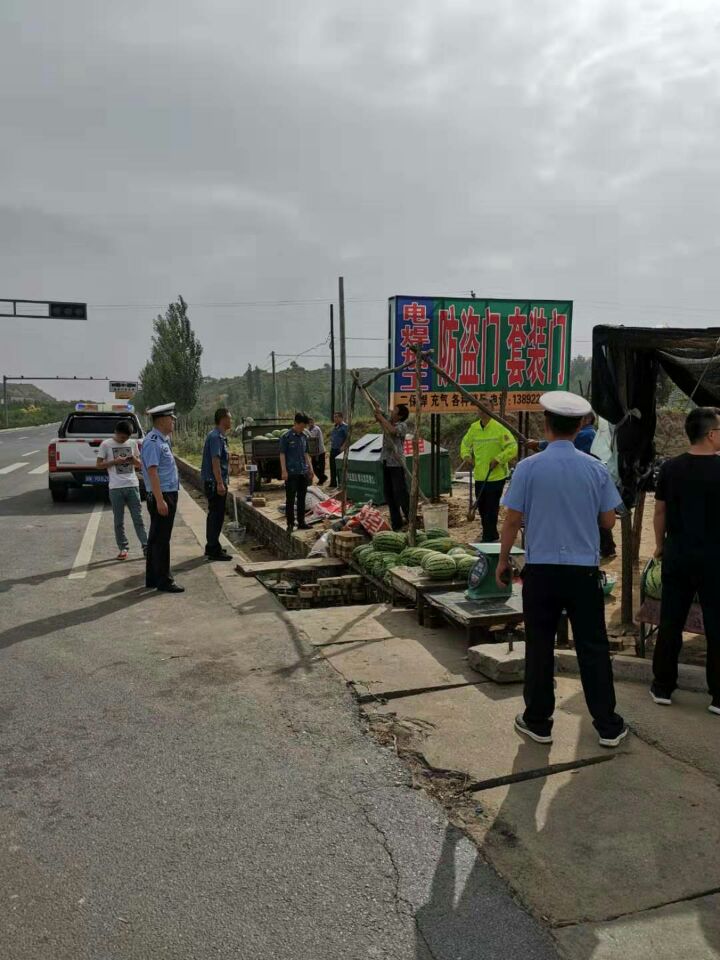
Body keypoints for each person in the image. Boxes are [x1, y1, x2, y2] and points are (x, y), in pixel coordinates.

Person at [496, 390, 628, 748]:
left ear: (546, 424)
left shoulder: (528, 468)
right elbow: (608, 521)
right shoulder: (595, 468)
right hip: (583, 573)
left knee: (539, 646)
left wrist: (503, 560)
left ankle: (538, 722)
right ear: (581, 426)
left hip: (541, 572)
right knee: (593, 647)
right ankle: (608, 726)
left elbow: (512, 521)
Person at [651, 406, 720, 715]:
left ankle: (663, 687)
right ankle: (718, 696)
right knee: (717, 625)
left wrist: (659, 546)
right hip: (715, 559)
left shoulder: (671, 468)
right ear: (711, 434)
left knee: (671, 621)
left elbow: (660, 511)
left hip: (677, 554)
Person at [529, 412, 617, 559]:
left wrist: (538, 444)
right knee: (596, 516)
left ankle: (606, 548)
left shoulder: (587, 434)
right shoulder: (590, 434)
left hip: (583, 481)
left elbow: (562, 443)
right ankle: (607, 548)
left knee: (594, 517)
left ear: (587, 419)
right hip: (586, 480)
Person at [140, 402, 184, 594]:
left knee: (155, 538)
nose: (173, 422)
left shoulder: (161, 440)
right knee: (161, 540)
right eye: (171, 419)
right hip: (163, 494)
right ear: (162, 420)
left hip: (166, 493)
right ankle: (164, 580)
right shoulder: (153, 442)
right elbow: (152, 472)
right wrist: (160, 500)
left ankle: (153, 578)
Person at [460, 410, 517, 542]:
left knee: (491, 508)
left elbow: (512, 447)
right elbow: (465, 444)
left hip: (496, 476)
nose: (482, 409)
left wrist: (498, 459)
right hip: (480, 475)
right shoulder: (474, 428)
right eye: (480, 406)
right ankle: (490, 534)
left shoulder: (499, 427)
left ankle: (489, 537)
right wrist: (466, 455)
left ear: (491, 408)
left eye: (486, 406)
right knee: (481, 507)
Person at [96, 419, 147, 560]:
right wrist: (115, 462)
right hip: (115, 488)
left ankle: (146, 546)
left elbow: (139, 464)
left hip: (132, 485)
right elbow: (98, 465)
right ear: (116, 433)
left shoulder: (132, 443)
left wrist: (133, 460)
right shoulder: (106, 444)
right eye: (122, 437)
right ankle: (123, 548)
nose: (124, 440)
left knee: (138, 518)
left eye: (126, 438)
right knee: (118, 521)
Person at [201, 408, 233, 562]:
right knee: (216, 515)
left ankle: (212, 545)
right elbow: (215, 461)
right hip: (214, 483)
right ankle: (213, 549)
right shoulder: (215, 437)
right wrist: (220, 483)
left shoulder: (220, 437)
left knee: (216, 515)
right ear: (223, 419)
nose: (231, 421)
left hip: (216, 481)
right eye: (230, 418)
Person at [374, 403, 410, 532]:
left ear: (400, 415)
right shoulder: (388, 420)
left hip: (397, 463)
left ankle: (410, 518)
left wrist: (381, 418)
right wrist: (377, 409)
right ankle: (396, 523)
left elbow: (392, 431)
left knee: (400, 493)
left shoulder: (402, 425)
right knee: (389, 494)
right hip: (386, 461)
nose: (392, 411)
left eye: (395, 410)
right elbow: (379, 414)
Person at [280, 413, 315, 532]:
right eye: (301, 426)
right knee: (290, 499)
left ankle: (301, 522)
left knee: (301, 498)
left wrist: (310, 468)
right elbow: (282, 454)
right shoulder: (286, 437)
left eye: (304, 426)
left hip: (302, 472)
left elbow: (306, 453)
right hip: (291, 473)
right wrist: (284, 471)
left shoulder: (304, 436)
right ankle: (290, 523)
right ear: (295, 423)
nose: (303, 429)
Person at [329, 411, 349, 488]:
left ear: (341, 418)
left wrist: (343, 446)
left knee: (339, 467)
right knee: (332, 466)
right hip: (333, 448)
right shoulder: (335, 427)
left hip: (340, 450)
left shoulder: (345, 427)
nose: (335, 418)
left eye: (337, 417)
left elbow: (348, 438)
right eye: (334, 417)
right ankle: (333, 483)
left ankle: (341, 483)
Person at [307, 417, 328, 485]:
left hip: (319, 452)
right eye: (309, 422)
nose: (310, 423)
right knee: (315, 467)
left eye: (311, 422)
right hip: (314, 452)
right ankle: (323, 478)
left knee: (320, 467)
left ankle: (322, 480)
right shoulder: (309, 429)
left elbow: (311, 436)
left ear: (313, 422)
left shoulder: (316, 429)